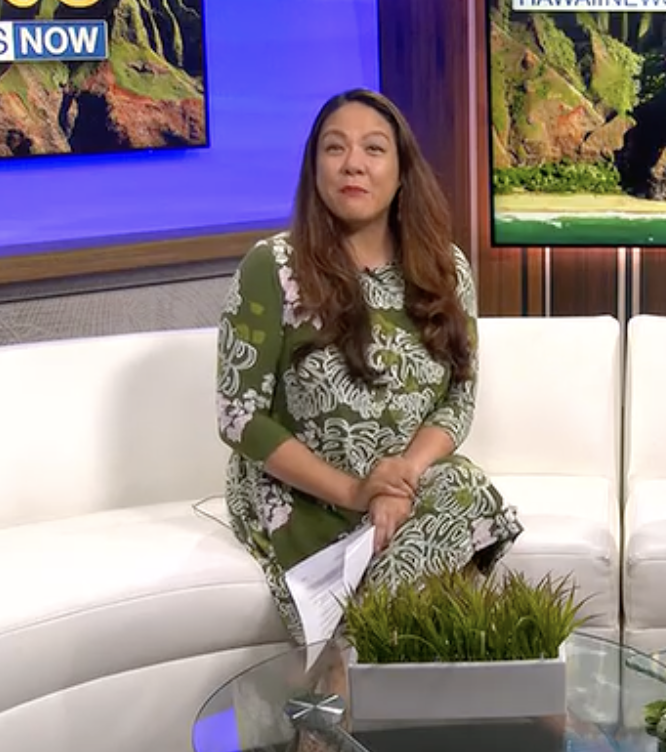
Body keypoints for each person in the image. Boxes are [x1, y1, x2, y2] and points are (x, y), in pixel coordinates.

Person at [215, 87, 523, 644]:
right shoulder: (273, 266)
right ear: (315, 170)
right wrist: (358, 491)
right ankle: (362, 666)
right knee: (458, 525)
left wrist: (398, 479)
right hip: (307, 496)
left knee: (464, 487)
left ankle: (348, 667)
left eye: (374, 149)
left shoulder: (445, 270)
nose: (353, 163)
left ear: (403, 172)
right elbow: (239, 418)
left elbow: (459, 396)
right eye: (335, 149)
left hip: (403, 493)